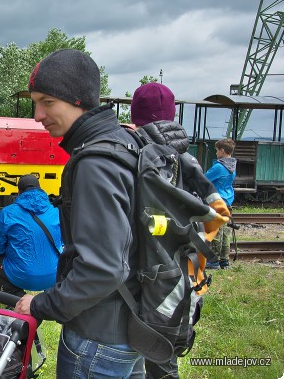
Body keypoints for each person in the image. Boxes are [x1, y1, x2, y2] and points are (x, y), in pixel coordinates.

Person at [14, 49, 143, 377]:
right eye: (35, 102)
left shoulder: (94, 163)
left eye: (47, 101)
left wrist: (42, 303)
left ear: (78, 99)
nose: (37, 114)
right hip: (134, 328)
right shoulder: (123, 143)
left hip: (98, 340)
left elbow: (102, 269)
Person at [131, 82, 231, 379]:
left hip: (153, 276)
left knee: (154, 354)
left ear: (137, 118)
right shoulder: (188, 160)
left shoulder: (141, 157)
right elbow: (214, 214)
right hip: (189, 272)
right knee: (166, 354)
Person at [0, 174, 62, 297]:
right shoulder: (55, 211)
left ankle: (17, 298)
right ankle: (50, 298)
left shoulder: (8, 212)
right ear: (40, 189)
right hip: (53, 276)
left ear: (19, 192)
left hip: (20, 277)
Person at [205, 138, 237, 269]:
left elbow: (204, 179)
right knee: (225, 231)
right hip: (228, 199)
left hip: (217, 200)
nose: (216, 153)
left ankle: (213, 261)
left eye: (217, 150)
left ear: (223, 151)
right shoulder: (233, 166)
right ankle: (224, 260)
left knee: (216, 230)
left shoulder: (219, 167)